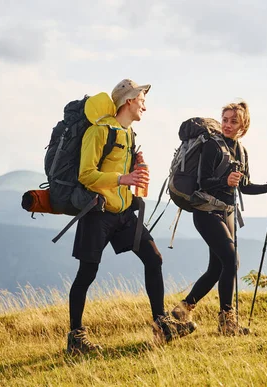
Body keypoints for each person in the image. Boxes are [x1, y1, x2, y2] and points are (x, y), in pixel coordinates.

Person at [66, 79, 196, 354]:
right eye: (142, 101)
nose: (144, 108)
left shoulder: (129, 135)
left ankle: (162, 325)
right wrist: (123, 176)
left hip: (123, 212)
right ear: (129, 100)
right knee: (87, 273)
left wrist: (135, 169)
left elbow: (125, 175)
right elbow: (85, 175)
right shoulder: (99, 132)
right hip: (98, 212)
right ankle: (76, 338)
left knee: (154, 258)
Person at [172, 101, 267, 336]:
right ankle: (227, 321)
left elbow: (244, 186)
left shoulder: (241, 151)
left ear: (243, 126)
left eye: (234, 121)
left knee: (216, 268)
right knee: (232, 262)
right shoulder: (212, 146)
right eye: (225, 120)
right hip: (206, 212)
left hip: (227, 213)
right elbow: (204, 182)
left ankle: (183, 309)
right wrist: (225, 181)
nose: (228, 125)